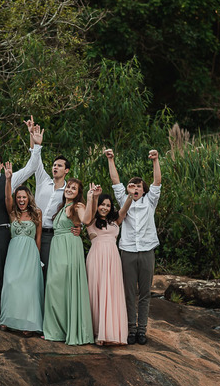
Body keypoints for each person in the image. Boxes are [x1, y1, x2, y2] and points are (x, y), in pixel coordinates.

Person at [0, 122, 42, 329]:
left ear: (1, 165)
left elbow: (31, 166)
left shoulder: (10, 177)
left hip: (2, 232)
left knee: (2, 274)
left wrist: (36, 146)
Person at [105, 147, 162, 344]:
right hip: (127, 251)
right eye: (131, 186)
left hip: (147, 251)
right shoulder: (124, 200)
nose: (135, 189)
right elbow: (115, 181)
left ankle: (142, 331)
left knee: (145, 293)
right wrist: (111, 159)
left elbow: (157, 182)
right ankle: (130, 329)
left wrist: (155, 160)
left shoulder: (150, 201)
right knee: (129, 293)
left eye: (138, 187)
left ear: (143, 190)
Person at [42, 179, 96, 345]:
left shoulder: (77, 206)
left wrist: (90, 198)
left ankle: (65, 330)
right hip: (58, 248)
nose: (70, 190)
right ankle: (57, 330)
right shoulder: (62, 207)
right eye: (69, 187)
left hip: (69, 249)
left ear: (78, 192)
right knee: (54, 288)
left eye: (74, 188)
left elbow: (86, 220)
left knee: (61, 286)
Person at [0, 165, 44, 335]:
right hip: (15, 252)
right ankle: (8, 319)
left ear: (28, 198)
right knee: (11, 284)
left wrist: (37, 259)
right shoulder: (12, 213)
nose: (21, 200)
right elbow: (6, 198)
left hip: (30, 252)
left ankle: (28, 323)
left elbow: (38, 237)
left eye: (24, 197)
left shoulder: (37, 213)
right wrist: (8, 179)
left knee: (29, 287)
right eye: (19, 197)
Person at [24, 120, 72, 273]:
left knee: (52, 272)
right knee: (35, 271)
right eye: (54, 165)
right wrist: (33, 138)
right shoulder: (43, 180)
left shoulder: (69, 191)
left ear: (67, 170)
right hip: (34, 231)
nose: (55, 167)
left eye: (59, 165)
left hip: (55, 236)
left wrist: (77, 227)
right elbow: (35, 161)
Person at [85, 189, 132, 346]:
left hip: (112, 259)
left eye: (108, 205)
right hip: (96, 257)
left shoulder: (115, 221)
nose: (104, 207)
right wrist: (94, 197)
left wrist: (130, 195)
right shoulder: (90, 219)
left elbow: (124, 209)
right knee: (96, 292)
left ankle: (111, 331)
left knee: (111, 292)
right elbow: (90, 212)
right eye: (102, 205)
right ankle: (97, 332)